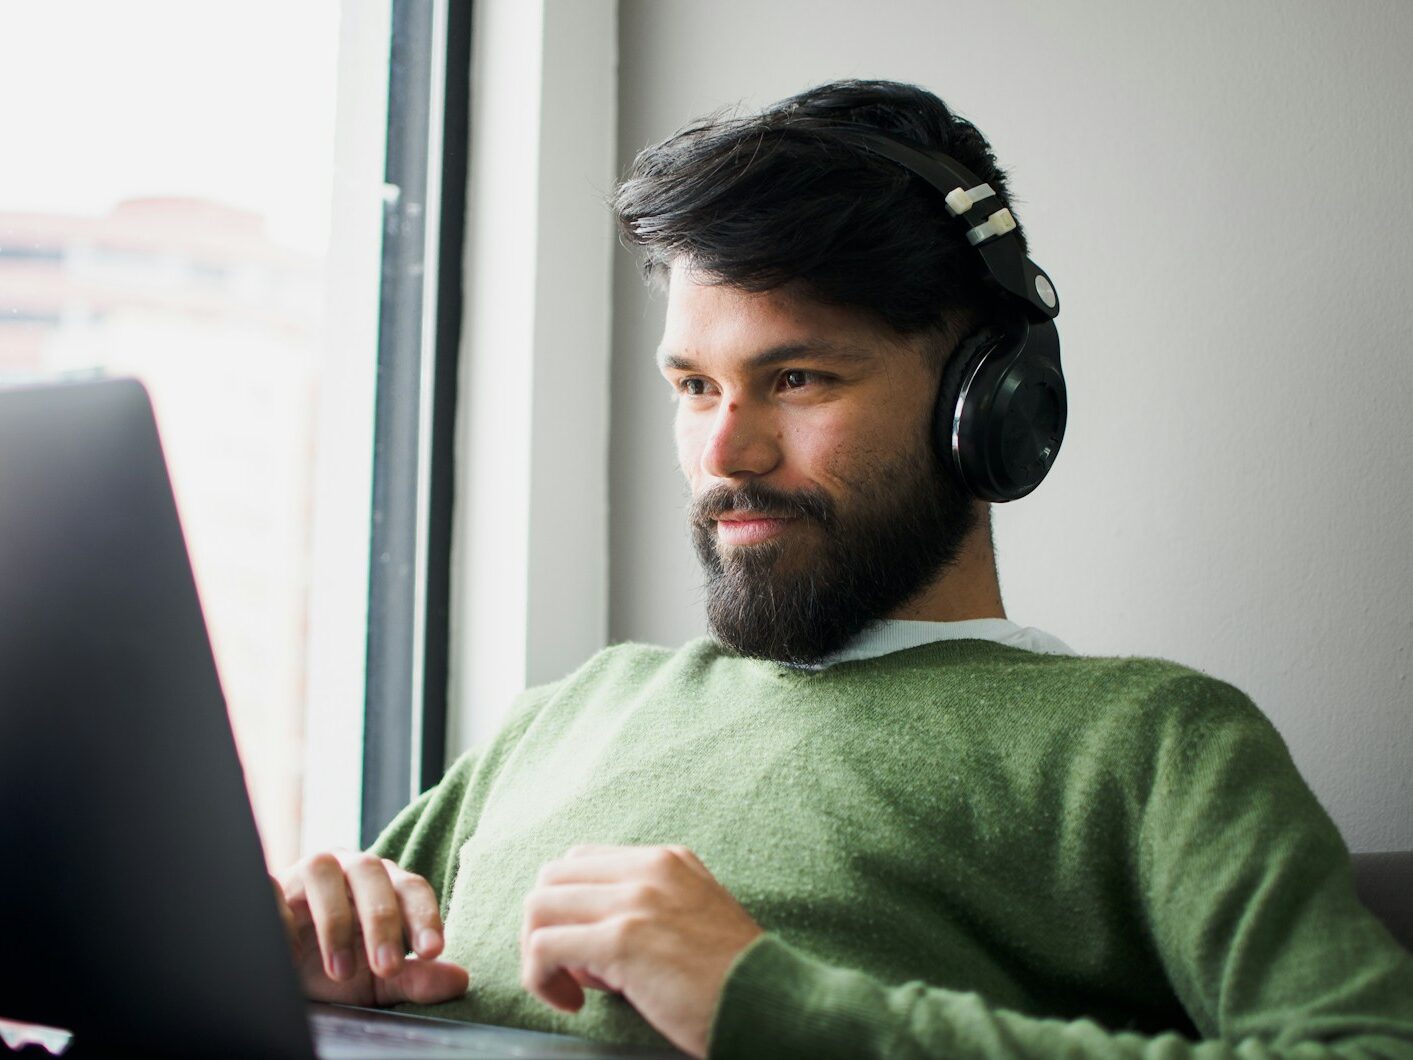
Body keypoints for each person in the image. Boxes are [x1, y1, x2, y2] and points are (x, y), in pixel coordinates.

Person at [276, 80, 1413, 1058]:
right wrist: (296, 966)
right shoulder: (567, 714)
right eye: (695, 387)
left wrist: (765, 1001)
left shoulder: (1146, 744)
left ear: (988, 401)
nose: (726, 453)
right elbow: (349, 948)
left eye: (798, 379)